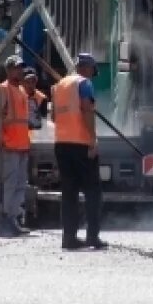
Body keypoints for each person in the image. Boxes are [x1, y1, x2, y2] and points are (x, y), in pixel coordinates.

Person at [52, 53, 106, 250]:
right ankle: (93, 236)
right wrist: (92, 139)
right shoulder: (84, 84)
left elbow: (54, 115)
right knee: (93, 191)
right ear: (88, 68)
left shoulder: (59, 86)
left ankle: (69, 237)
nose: (92, 74)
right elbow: (86, 110)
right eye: (92, 70)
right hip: (81, 144)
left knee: (69, 193)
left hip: (61, 143)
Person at [0, 55, 32, 238]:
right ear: (9, 70)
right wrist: (0, 139)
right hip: (5, 147)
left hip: (20, 146)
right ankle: (1, 219)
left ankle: (12, 219)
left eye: (21, 67)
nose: (20, 71)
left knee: (20, 184)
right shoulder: (2, 90)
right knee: (7, 185)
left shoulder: (21, 91)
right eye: (17, 68)